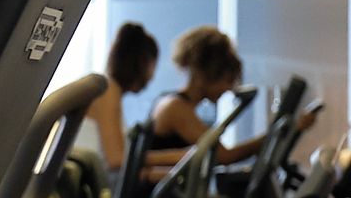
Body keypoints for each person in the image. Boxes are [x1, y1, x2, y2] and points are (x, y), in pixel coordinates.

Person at [144, 24, 256, 178]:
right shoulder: (175, 107)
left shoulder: (177, 103)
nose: (228, 89)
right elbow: (224, 156)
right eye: (227, 80)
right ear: (208, 74)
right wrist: (270, 137)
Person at [86, 21, 159, 176]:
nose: (152, 77)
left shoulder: (109, 90)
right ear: (142, 62)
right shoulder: (107, 90)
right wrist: (174, 160)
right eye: (153, 65)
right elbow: (116, 159)